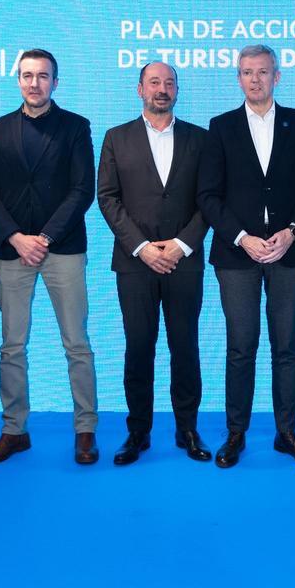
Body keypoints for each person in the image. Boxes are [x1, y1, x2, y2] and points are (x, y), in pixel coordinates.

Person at [197, 44, 295, 468]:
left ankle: (286, 433)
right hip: (237, 255)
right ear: (238, 78)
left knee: (286, 347)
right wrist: (242, 237)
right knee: (241, 347)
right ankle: (236, 433)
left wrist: (292, 232)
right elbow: (208, 195)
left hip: (289, 252)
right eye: (247, 72)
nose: (255, 79)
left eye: (263, 71)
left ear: (277, 76)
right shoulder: (220, 127)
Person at [0, 48, 99, 465]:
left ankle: (85, 430)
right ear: (18, 81)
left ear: (55, 82)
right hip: (11, 251)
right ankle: (14, 431)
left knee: (77, 344)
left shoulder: (76, 127)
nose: (34, 83)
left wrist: (43, 237)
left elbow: (82, 190)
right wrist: (16, 237)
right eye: (27, 75)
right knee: (12, 346)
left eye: (43, 76)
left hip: (62, 248)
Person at [97, 62, 212, 465]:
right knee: (138, 348)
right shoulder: (116, 137)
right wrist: (142, 247)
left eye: (169, 83)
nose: (162, 89)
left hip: (184, 262)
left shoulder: (200, 138)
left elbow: (209, 199)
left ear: (177, 89)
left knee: (186, 347)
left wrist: (182, 245)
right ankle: (138, 432)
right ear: (140, 89)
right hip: (135, 264)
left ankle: (187, 429)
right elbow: (107, 198)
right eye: (154, 82)